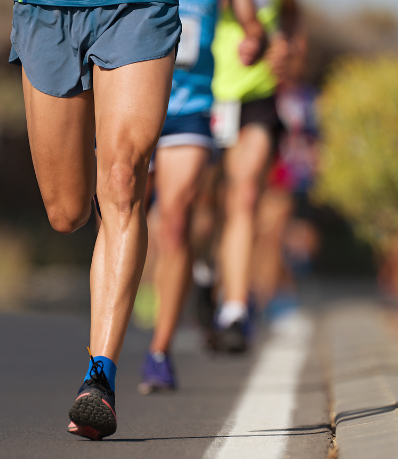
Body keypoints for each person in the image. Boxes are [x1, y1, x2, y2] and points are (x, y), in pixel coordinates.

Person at [8, 0, 180, 441]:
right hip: (47, 12)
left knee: (123, 180)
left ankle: (99, 379)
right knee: (66, 212)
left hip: (137, 10)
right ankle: (107, 221)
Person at [138, 0, 265, 394]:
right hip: (131, 103)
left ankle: (159, 352)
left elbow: (252, 23)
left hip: (189, 108)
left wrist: (254, 39)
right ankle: (105, 344)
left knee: (176, 221)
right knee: (118, 214)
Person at [209, 0, 299, 352]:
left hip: (258, 96)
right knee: (201, 207)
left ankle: (234, 309)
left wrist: (286, 47)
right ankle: (205, 275)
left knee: (245, 197)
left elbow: (291, 19)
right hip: (209, 91)